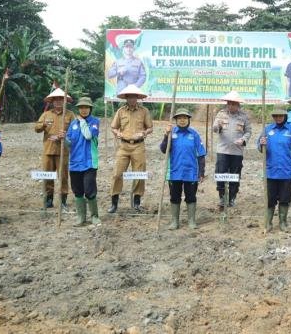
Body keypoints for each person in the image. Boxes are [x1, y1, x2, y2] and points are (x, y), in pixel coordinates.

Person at [109, 84, 153, 213]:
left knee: (139, 174)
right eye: (130, 97)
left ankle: (137, 202)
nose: (132, 99)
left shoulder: (144, 111)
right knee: (117, 174)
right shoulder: (121, 111)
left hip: (139, 146)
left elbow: (150, 127)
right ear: (126, 98)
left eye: (134, 97)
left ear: (138, 98)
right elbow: (113, 127)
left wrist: (144, 133)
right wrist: (117, 133)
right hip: (123, 146)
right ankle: (114, 203)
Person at [258, 105, 291, 232]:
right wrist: (262, 144)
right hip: (270, 171)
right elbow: (260, 148)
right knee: (270, 199)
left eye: (280, 115)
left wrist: (290, 162)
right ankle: (268, 222)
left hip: (286, 171)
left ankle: (283, 222)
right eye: (275, 116)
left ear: (285, 116)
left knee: (284, 198)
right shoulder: (266, 130)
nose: (278, 118)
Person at [160, 108, 206, 230]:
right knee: (174, 197)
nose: (182, 120)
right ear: (175, 120)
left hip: (191, 172)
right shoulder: (171, 133)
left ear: (188, 120)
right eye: (179, 118)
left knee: (191, 197)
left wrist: (201, 172)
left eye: (185, 118)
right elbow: (164, 149)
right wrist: (166, 135)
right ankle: (175, 221)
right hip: (175, 172)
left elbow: (201, 154)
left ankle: (191, 221)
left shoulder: (194, 134)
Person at [34, 88, 76, 209]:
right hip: (48, 150)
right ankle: (49, 200)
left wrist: (65, 135)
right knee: (48, 175)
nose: (58, 102)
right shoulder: (46, 114)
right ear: (52, 101)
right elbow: (36, 128)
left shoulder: (70, 115)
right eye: (56, 100)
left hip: (63, 151)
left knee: (63, 176)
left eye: (61, 100)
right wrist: (43, 125)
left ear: (65, 101)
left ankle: (63, 200)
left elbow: (75, 131)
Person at [212, 91, 252, 209]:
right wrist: (217, 126)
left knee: (235, 175)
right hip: (222, 151)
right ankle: (222, 197)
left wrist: (243, 139)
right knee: (220, 174)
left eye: (234, 104)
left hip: (237, 152)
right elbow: (215, 129)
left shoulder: (244, 116)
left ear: (238, 104)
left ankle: (232, 198)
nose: (231, 106)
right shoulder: (221, 114)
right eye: (229, 103)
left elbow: (248, 131)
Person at [66, 97, 101, 226]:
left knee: (89, 189)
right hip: (75, 163)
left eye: (86, 107)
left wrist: (81, 121)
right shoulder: (73, 124)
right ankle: (81, 217)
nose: (84, 110)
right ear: (78, 109)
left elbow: (88, 135)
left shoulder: (94, 122)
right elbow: (69, 143)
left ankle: (94, 216)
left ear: (90, 108)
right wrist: (62, 138)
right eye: (81, 107)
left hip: (89, 162)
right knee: (78, 190)